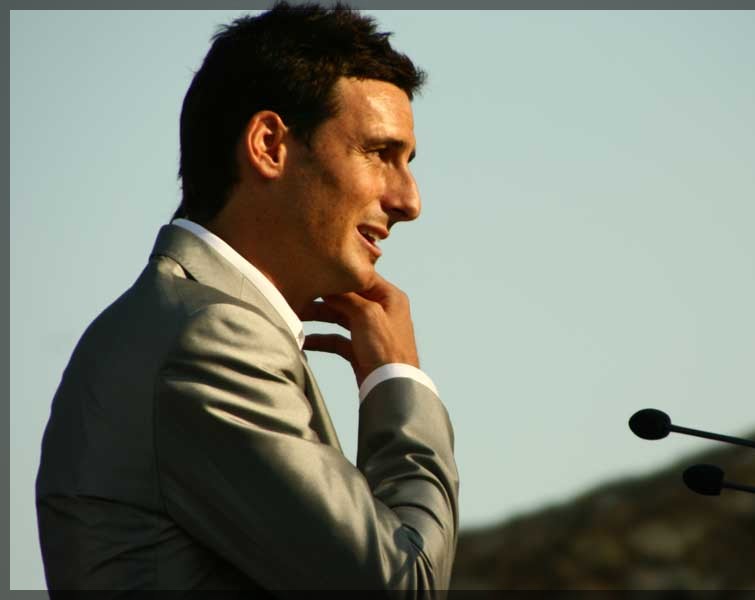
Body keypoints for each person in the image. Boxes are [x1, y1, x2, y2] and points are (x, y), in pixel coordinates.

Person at [35, 3, 458, 594]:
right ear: (269, 145)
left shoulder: (178, 322)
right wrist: (398, 383)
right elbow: (400, 584)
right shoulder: (209, 339)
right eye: (379, 153)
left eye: (407, 163)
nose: (409, 200)